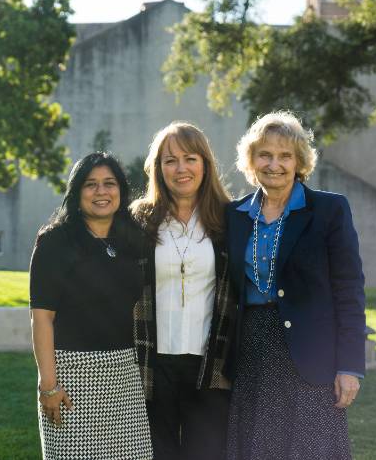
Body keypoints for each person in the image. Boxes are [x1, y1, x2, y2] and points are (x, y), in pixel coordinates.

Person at [225, 111, 366, 459]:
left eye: (285, 155)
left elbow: (349, 291)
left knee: (310, 449)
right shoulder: (234, 215)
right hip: (252, 353)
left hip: (312, 356)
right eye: (265, 155)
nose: (275, 164)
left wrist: (349, 366)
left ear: (299, 160)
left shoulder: (329, 210)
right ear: (251, 160)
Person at [30, 152, 153, 460]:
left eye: (109, 183)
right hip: (70, 377)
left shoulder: (132, 240)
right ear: (77, 192)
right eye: (91, 184)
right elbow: (41, 319)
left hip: (124, 374)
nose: (101, 192)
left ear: (121, 191)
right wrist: (48, 386)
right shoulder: (55, 242)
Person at [131, 121, 236, 459]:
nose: (181, 169)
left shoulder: (229, 219)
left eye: (190, 158)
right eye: (170, 160)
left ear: (205, 163)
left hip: (211, 364)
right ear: (158, 169)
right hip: (150, 363)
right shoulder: (138, 220)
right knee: (156, 453)